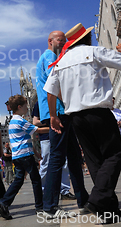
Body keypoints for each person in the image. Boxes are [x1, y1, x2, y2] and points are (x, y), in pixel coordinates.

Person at [44, 23, 121, 224]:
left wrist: (54, 116)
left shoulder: (61, 61)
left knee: (94, 161)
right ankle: (98, 199)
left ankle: (110, 211)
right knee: (114, 154)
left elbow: (50, 90)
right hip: (98, 112)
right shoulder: (92, 52)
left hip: (76, 118)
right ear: (87, 39)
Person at [36, 30, 87, 218]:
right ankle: (49, 206)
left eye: (65, 40)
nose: (63, 42)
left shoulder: (49, 56)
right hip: (57, 112)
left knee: (74, 157)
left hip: (61, 111)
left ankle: (83, 199)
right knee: (57, 158)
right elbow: (55, 83)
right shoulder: (49, 56)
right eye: (60, 39)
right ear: (50, 41)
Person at [0, 95, 48, 220]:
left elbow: (26, 139)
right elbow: (37, 131)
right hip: (25, 155)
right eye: (25, 106)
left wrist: (36, 153)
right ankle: (39, 207)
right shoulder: (20, 120)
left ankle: (3, 203)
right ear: (19, 107)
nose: (26, 108)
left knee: (18, 180)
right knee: (36, 180)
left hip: (17, 156)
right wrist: (52, 128)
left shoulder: (12, 121)